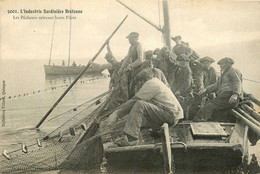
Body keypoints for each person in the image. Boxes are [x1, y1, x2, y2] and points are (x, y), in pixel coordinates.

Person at [106, 68, 183, 146]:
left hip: (171, 116)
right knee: (145, 106)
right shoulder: (156, 81)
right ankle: (155, 130)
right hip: (173, 115)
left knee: (140, 104)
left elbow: (135, 100)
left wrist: (117, 113)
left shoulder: (151, 84)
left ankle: (131, 139)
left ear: (143, 80)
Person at [194, 57, 243, 122]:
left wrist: (235, 94)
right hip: (225, 96)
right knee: (215, 108)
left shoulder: (233, 71)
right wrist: (206, 89)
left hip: (229, 96)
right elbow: (217, 85)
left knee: (210, 104)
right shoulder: (224, 73)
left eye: (221, 64)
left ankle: (198, 120)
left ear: (227, 64)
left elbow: (237, 82)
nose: (220, 66)